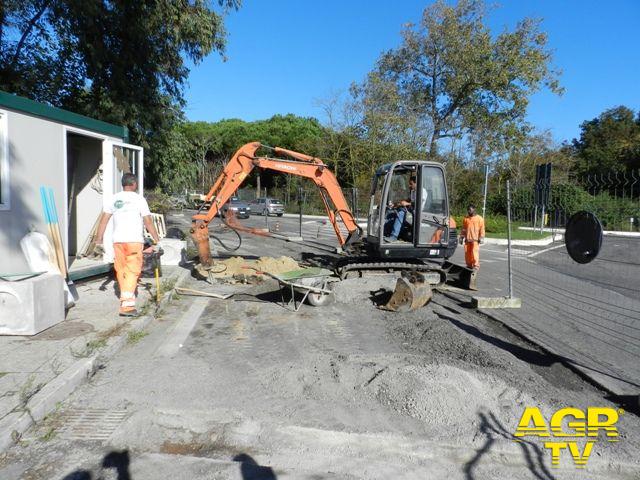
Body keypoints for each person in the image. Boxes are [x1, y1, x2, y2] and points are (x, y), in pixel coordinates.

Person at [95, 173, 160, 317]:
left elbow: (103, 220)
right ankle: (127, 305)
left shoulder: (114, 199)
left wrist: (98, 240)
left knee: (121, 269)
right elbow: (148, 221)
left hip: (118, 241)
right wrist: (156, 239)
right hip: (134, 241)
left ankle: (125, 296)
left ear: (123, 184)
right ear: (134, 184)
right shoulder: (139, 199)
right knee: (132, 271)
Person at [384, 176, 417, 242]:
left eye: (411, 184)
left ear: (416, 183)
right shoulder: (413, 191)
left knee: (401, 213)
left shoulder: (422, 191)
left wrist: (407, 204)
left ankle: (394, 236)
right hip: (411, 210)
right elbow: (408, 200)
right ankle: (386, 232)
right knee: (392, 212)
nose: (409, 186)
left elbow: (418, 203)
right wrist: (396, 204)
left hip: (418, 212)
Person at [460, 204, 485, 270]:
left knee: (474, 253)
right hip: (467, 240)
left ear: (474, 209)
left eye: (470, 210)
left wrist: (481, 237)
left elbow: (482, 229)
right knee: (467, 253)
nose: (468, 211)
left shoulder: (479, 219)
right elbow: (463, 229)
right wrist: (461, 237)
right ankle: (469, 265)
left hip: (475, 240)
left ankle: (476, 265)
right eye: (468, 210)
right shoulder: (466, 219)